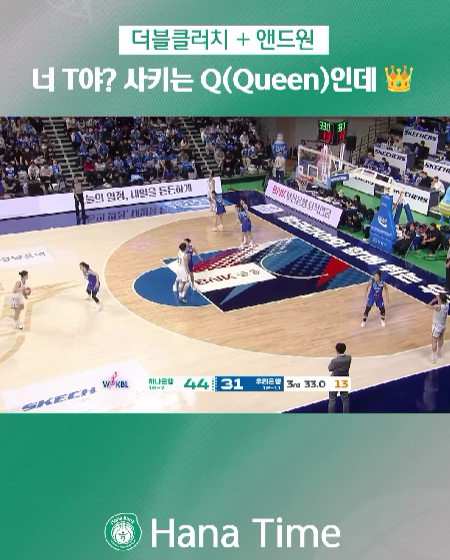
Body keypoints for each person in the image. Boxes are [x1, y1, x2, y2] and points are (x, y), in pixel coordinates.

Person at [328, 342, 351, 413]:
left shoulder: (335, 360)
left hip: (335, 381)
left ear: (336, 350)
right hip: (344, 380)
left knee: (332, 400)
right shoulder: (349, 357)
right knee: (345, 399)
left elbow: (329, 368)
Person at [428, 293, 449, 363]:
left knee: (434, 342)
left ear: (440, 299)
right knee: (440, 338)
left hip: (436, 326)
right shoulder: (447, 305)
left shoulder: (437, 306)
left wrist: (433, 300)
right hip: (443, 325)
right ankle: (439, 352)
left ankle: (433, 358)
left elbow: (428, 306)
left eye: (438, 297)